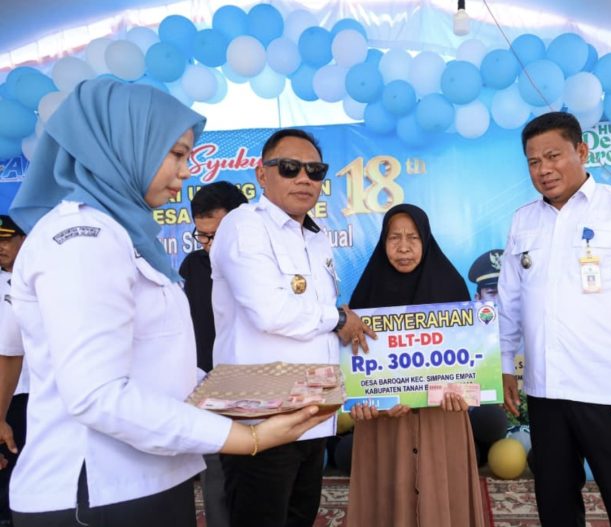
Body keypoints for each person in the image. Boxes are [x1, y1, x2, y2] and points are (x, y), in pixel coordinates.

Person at [3, 78, 328, 527]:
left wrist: (257, 397)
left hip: (146, 481)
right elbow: (98, 396)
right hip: (96, 493)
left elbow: (160, 365)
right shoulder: (82, 239)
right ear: (121, 145)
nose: (188, 170)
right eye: (176, 153)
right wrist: (244, 437)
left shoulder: (125, 237)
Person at [498, 112, 611, 527]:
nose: (543, 170)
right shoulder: (524, 220)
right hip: (545, 391)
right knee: (555, 502)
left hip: (609, 391)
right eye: (533, 161)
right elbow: (509, 300)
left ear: (581, 150)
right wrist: (505, 364)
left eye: (553, 156)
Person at [210, 128, 373, 527]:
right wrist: (336, 318)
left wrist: (336, 318)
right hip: (260, 416)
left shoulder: (316, 238)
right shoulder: (243, 224)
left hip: (311, 411)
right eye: (290, 168)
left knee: (299, 517)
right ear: (262, 175)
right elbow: (271, 311)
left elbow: (312, 314)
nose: (304, 178)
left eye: (315, 170)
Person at [346, 203, 485, 527]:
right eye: (394, 238)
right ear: (383, 243)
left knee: (441, 497)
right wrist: (367, 404)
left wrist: (460, 392)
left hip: (442, 420)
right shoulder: (366, 295)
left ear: (426, 240)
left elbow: (470, 365)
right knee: (385, 501)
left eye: (413, 238)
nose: (404, 247)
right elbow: (356, 370)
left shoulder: (451, 287)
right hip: (384, 424)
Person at [179, 182, 247, 527]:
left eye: (216, 236)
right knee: (216, 478)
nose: (208, 246)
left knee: (264, 482)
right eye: (201, 236)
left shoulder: (262, 264)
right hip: (210, 386)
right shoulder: (192, 266)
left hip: (263, 386)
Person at [0, 216, 27, 527]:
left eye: (7, 239)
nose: (1, 247)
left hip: (38, 393)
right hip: (9, 395)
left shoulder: (39, 279)